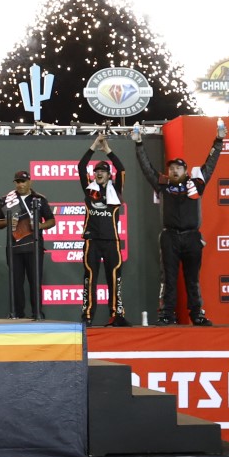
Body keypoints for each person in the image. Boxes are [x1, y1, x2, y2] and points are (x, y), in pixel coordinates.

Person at [133, 121, 225, 325]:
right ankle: (167, 314)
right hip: (170, 236)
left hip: (192, 236)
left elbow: (210, 164)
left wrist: (218, 140)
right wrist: (139, 144)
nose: (174, 171)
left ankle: (197, 315)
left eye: (178, 168)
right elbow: (146, 167)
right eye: (172, 168)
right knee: (169, 278)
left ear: (185, 171)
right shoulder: (162, 184)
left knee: (192, 279)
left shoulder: (197, 184)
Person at [79, 134, 130, 326]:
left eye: (104, 171)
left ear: (110, 175)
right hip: (92, 240)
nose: (99, 173)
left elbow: (122, 168)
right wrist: (93, 146)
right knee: (90, 277)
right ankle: (87, 315)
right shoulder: (89, 189)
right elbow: (80, 167)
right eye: (97, 171)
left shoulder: (115, 190)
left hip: (112, 241)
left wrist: (107, 149)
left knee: (115, 277)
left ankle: (116, 315)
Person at [0, 170, 56, 319]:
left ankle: (37, 313)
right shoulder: (7, 200)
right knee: (16, 283)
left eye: (23, 181)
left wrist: (39, 226)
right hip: (14, 247)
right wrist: (8, 221)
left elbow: (52, 220)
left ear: (30, 182)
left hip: (34, 247)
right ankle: (17, 314)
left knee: (35, 282)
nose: (21, 184)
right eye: (18, 182)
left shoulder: (39, 199)